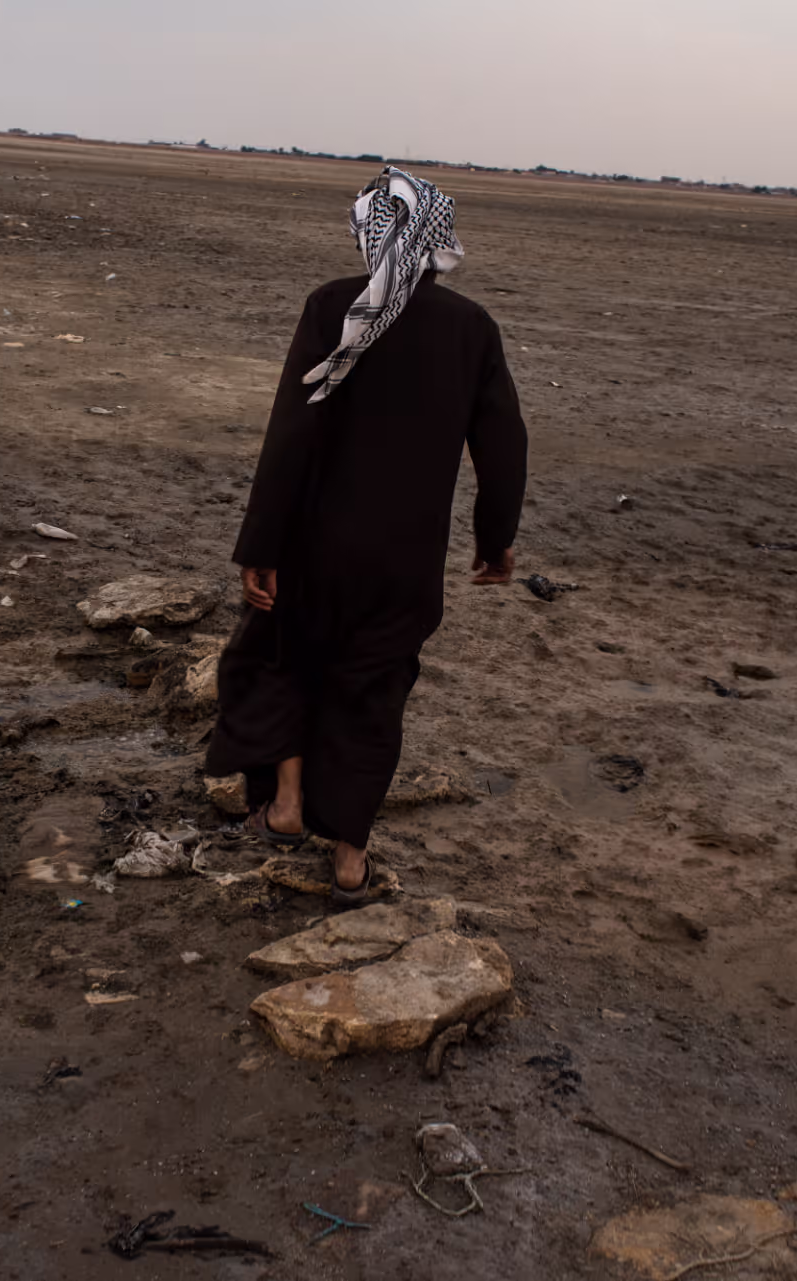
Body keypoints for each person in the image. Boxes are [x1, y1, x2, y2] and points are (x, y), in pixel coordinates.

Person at [207, 166, 528, 904]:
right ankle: (350, 860)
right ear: (438, 238)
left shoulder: (332, 308)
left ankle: (285, 806)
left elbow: (291, 435)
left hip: (314, 546)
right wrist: (495, 535)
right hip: (405, 558)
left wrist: (261, 545)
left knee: (282, 661)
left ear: (369, 230)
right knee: (373, 696)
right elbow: (503, 440)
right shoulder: (470, 329)